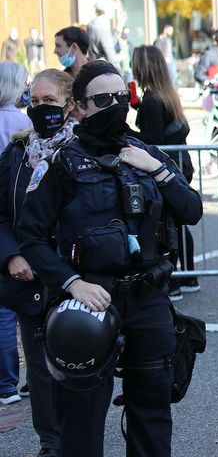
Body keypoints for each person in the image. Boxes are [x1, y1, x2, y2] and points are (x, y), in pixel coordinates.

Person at [18, 60, 202, 457]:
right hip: (88, 301)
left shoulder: (147, 154)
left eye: (123, 96)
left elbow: (191, 210)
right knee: (81, 419)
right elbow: (30, 237)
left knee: (152, 411)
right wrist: (72, 283)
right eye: (104, 100)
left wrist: (158, 171)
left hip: (148, 298)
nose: (116, 105)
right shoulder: (61, 163)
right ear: (80, 107)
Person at [0, 68, 77, 454]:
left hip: (76, 276)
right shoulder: (16, 154)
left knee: (79, 362)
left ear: (69, 104)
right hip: (29, 279)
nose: (41, 107)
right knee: (41, 369)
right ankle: (51, 442)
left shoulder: (83, 150)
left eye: (50, 101)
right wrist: (12, 254)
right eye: (35, 100)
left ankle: (79, 436)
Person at [131, 45, 199, 301]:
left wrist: (126, 133)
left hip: (166, 166)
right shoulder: (165, 94)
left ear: (142, 67)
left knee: (168, 224)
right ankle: (188, 276)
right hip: (180, 163)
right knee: (178, 222)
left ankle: (174, 281)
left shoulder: (152, 98)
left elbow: (153, 138)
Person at [0, 62, 32, 409]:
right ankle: (33, 378)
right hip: (22, 216)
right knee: (29, 301)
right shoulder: (24, 124)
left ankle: (6, 382)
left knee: (4, 308)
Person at [87, 0, 119, 65]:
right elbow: (109, 50)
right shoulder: (102, 27)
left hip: (94, 64)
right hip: (104, 66)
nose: (113, 12)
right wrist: (116, 66)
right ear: (105, 10)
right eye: (112, 9)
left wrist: (119, 27)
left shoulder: (91, 25)